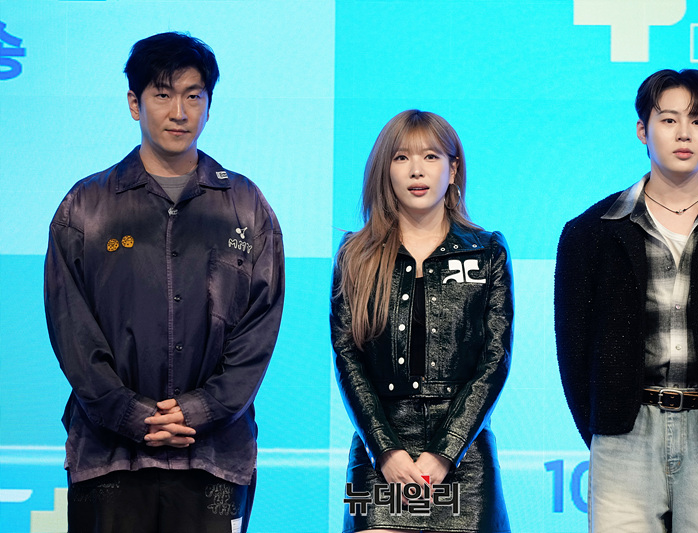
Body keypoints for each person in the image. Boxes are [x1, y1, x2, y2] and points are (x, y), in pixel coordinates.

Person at [44, 32, 284, 533]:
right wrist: (131, 414)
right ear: (135, 103)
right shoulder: (85, 207)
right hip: (109, 457)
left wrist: (201, 410)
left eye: (193, 96)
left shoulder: (246, 206)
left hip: (214, 457)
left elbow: (258, 329)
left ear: (209, 105)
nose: (179, 112)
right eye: (162, 94)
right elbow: (72, 332)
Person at [554, 69, 698, 532]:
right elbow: (574, 350)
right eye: (668, 120)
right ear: (643, 130)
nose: (684, 133)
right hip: (624, 434)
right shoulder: (589, 233)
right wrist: (605, 426)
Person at [330, 110, 513, 533]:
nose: (417, 170)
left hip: (464, 454)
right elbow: (347, 358)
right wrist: (385, 450)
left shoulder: (487, 251)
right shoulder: (355, 255)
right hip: (379, 454)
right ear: (385, 170)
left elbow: (495, 360)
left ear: (453, 169)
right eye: (401, 157)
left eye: (431, 156)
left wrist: (446, 451)